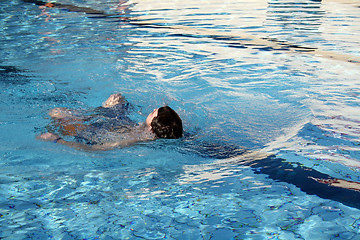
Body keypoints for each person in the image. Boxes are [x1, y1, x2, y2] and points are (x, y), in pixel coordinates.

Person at [37, 94, 183, 150]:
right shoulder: (158, 129)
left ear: (152, 129)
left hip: (90, 133)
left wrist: (58, 141)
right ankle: (100, 110)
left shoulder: (132, 140)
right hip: (118, 124)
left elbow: (94, 150)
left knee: (55, 113)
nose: (151, 110)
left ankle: (93, 113)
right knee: (118, 98)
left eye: (153, 112)